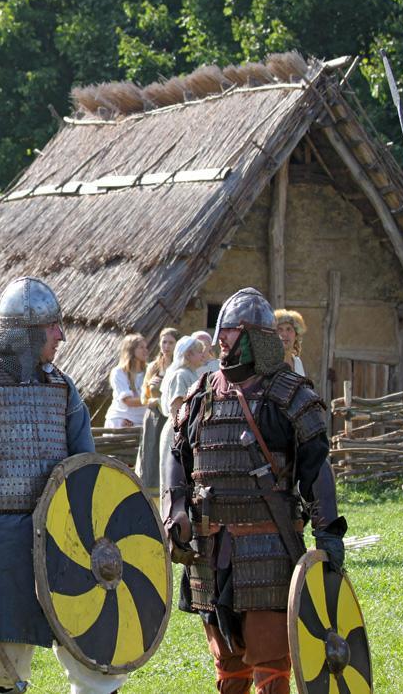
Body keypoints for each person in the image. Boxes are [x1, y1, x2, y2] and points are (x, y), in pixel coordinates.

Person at [0, 277, 125, 694]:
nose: (61, 335)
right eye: (54, 326)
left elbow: (85, 467)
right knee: (5, 664)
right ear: (28, 330)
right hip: (1, 538)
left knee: (91, 655)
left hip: (62, 537)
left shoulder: (62, 386)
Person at [163, 288, 345, 693]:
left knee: (271, 659)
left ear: (252, 336)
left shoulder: (290, 394)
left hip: (269, 548)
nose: (219, 340)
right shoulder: (202, 393)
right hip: (212, 551)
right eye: (220, 331)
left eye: (227, 332)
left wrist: (328, 531)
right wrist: (176, 508)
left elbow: (316, 467)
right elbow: (178, 454)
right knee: (227, 661)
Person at [136, 335, 203, 503]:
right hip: (178, 433)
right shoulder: (181, 375)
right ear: (188, 355)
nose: (203, 355)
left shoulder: (190, 373)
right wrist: (183, 437)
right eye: (199, 352)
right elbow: (176, 409)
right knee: (174, 480)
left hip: (186, 432)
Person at [104, 333, 148, 428]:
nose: (146, 350)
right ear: (131, 350)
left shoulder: (148, 371)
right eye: (141, 347)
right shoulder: (119, 372)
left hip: (141, 422)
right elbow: (128, 401)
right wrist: (150, 400)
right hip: (122, 420)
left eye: (146, 347)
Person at [142, 327, 181, 409]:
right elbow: (143, 398)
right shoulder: (153, 367)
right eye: (164, 342)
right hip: (153, 415)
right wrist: (149, 386)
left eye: (171, 343)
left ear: (177, 344)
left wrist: (159, 401)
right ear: (160, 344)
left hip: (173, 413)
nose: (167, 346)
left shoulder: (181, 367)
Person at [274, 309, 307, 376]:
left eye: (289, 329)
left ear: (296, 335)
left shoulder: (297, 363)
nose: (284, 334)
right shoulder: (269, 364)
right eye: (280, 329)